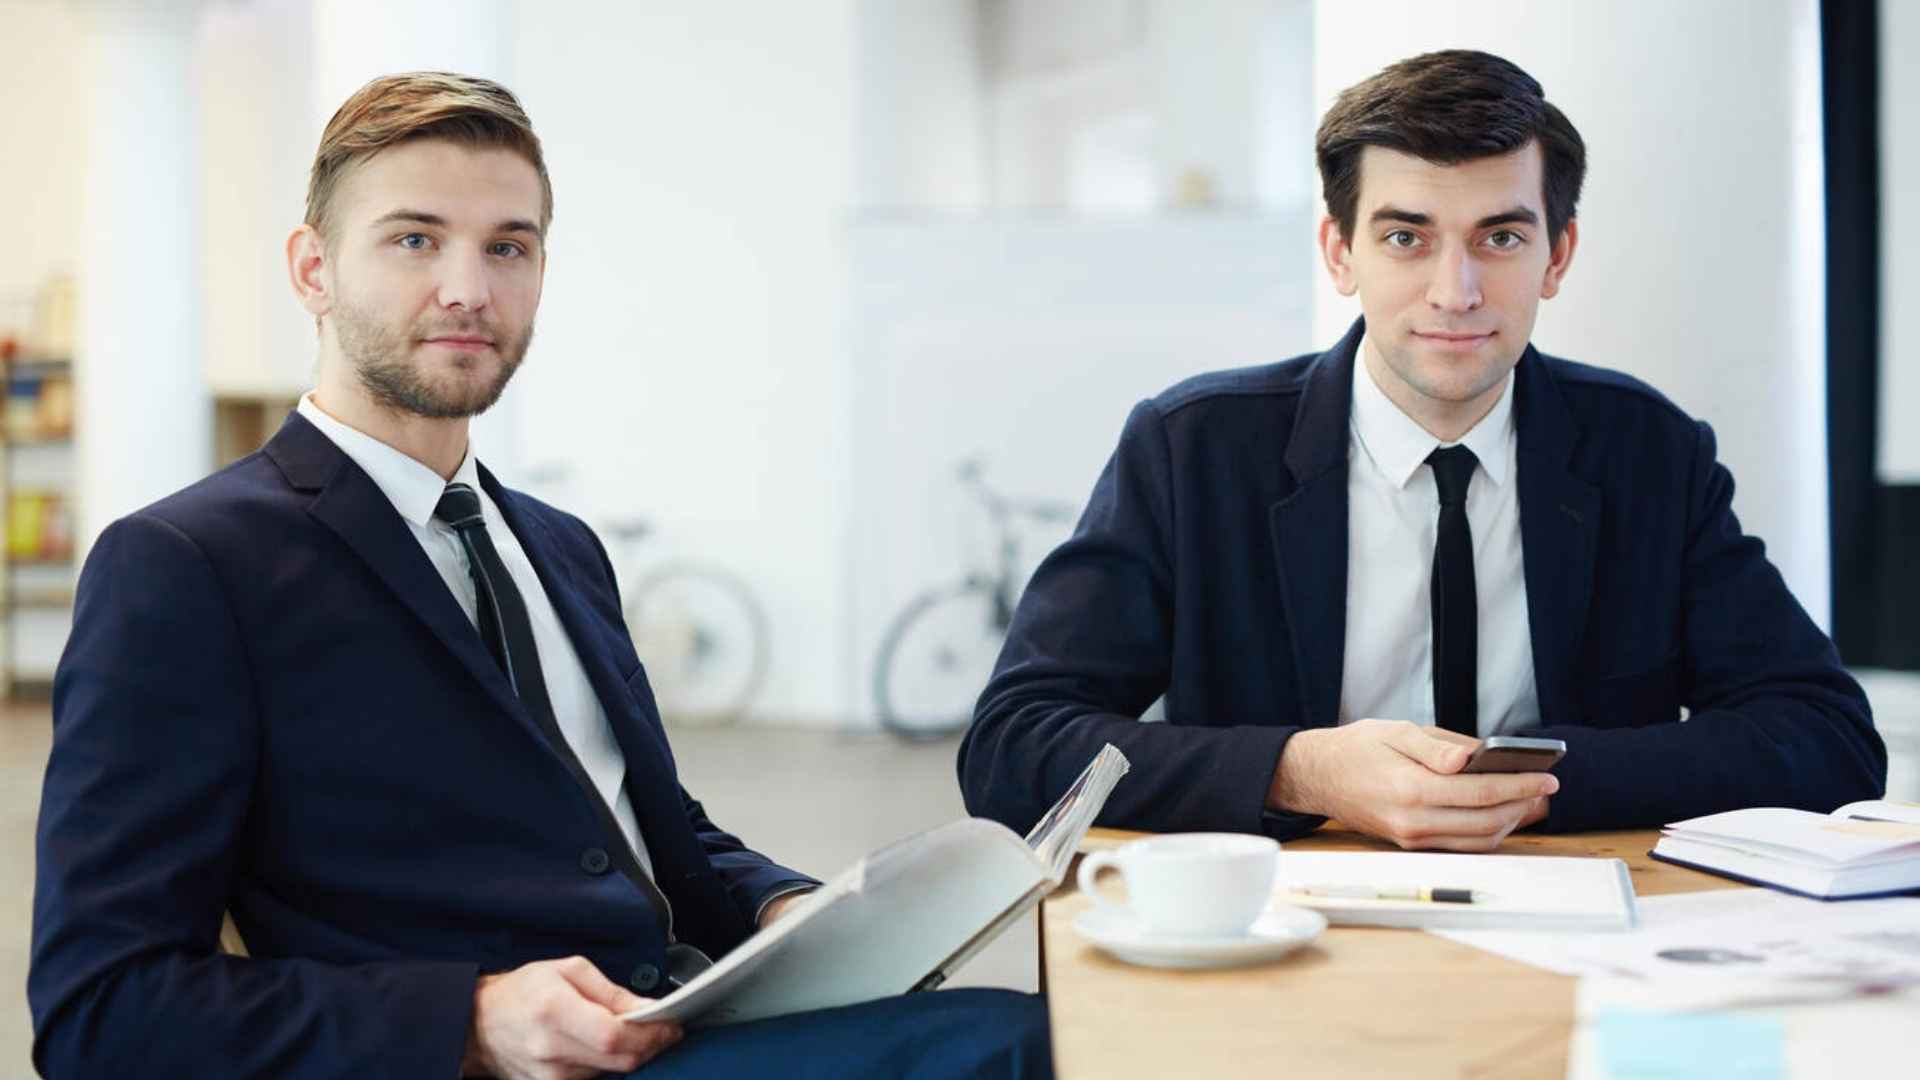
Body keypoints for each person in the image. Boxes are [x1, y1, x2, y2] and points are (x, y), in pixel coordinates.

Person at [30, 72, 1049, 1079]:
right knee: (1018, 1044)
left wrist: (792, 908)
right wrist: (471, 1021)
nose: (469, 288)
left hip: (685, 1019)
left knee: (1060, 1018)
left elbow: (641, 833)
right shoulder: (188, 566)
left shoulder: (559, 546)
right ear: (312, 271)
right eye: (415, 239)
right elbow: (102, 1008)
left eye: (507, 247)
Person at [957, 49, 1884, 853]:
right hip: (1280, 915)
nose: (1456, 290)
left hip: (1577, 921)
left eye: (1502, 237)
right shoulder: (1190, 448)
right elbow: (1012, 744)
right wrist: (1300, 770)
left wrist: (1532, 784)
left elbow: (1828, 735)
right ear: (1340, 252)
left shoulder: (1649, 452)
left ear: (1556, 257)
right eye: (1407, 237)